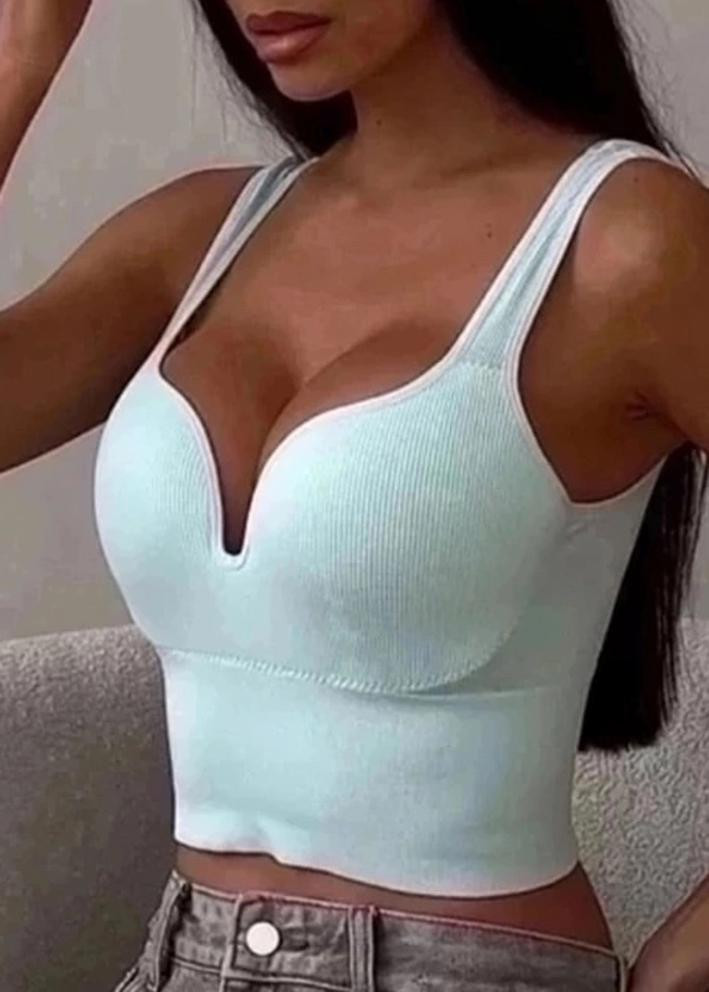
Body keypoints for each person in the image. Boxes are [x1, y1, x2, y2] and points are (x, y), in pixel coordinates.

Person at [2, 2, 709, 991]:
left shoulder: (626, 242)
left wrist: (679, 966)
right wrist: (23, 47)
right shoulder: (202, 237)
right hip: (175, 959)